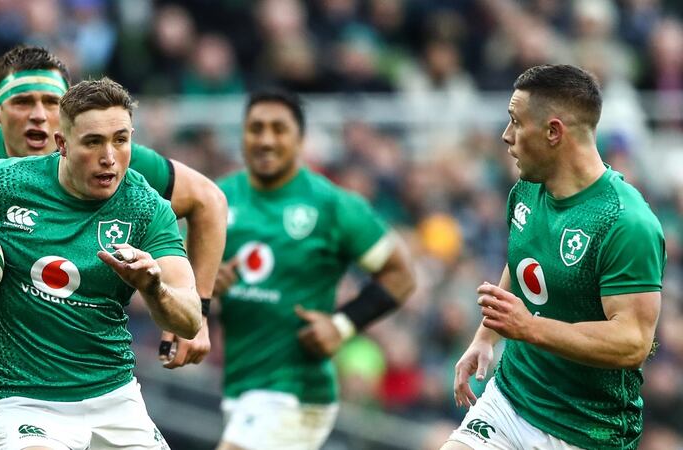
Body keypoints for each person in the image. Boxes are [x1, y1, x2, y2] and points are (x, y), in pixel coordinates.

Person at [0, 77, 201, 450]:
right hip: (23, 402)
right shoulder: (0, 184)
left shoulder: (146, 207)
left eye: (121, 140)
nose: (109, 156)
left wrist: (155, 287)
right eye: (93, 142)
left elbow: (188, 319)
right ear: (62, 143)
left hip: (114, 396)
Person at [0, 45, 226, 369]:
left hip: (100, 358)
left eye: (51, 102)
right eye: (22, 102)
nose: (38, 115)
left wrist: (198, 313)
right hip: (0, 352)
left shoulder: (111, 161)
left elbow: (208, 200)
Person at [442, 64, 665, 450]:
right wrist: (485, 337)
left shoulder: (625, 223)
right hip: (512, 400)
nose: (506, 136)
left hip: (587, 429)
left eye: (515, 122)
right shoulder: (527, 190)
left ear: (553, 132)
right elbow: (525, 259)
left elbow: (633, 342)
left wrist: (528, 328)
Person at [212, 89, 416, 450]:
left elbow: (402, 275)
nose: (266, 139)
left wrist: (342, 325)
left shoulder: (332, 206)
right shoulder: (214, 200)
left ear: (300, 139)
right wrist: (202, 288)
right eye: (256, 128)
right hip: (240, 386)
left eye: (279, 128)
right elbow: (174, 278)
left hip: (297, 391)